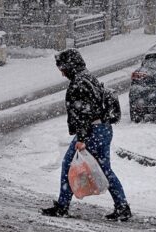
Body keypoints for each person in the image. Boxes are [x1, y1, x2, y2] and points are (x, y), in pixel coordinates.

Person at [41, 48, 132, 222]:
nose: (62, 73)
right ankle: (122, 206)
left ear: (70, 66)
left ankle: (63, 206)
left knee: (69, 165)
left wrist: (81, 139)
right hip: (102, 129)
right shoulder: (88, 78)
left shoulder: (79, 83)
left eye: (62, 69)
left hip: (92, 132)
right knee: (104, 169)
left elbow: (84, 112)